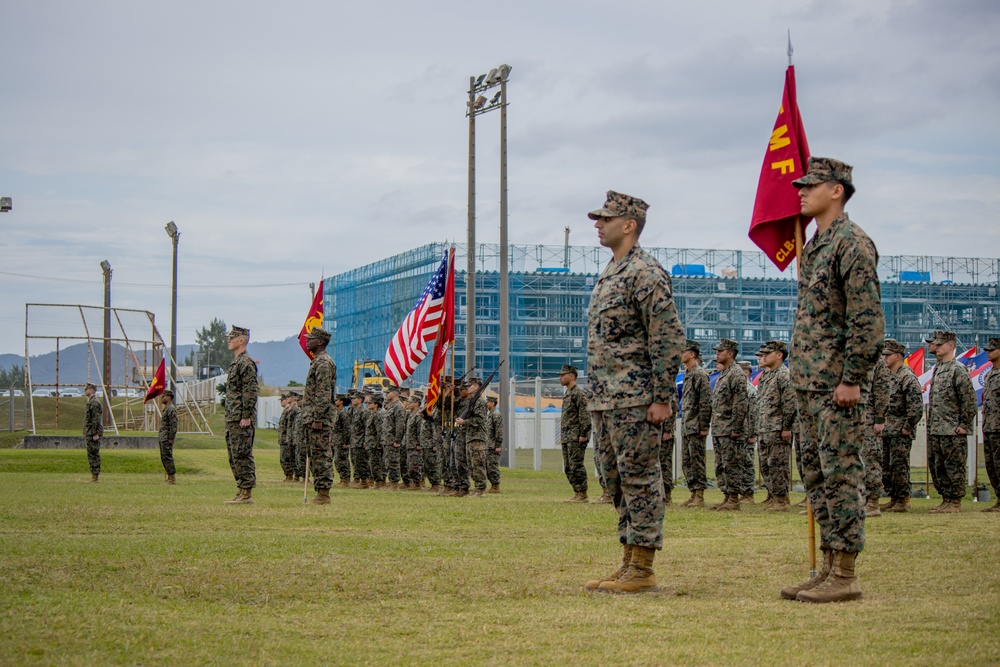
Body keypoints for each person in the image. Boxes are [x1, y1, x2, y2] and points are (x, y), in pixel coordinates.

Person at [780, 157, 884, 603]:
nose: (801, 192)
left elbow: (867, 320)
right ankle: (827, 567)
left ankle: (846, 572)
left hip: (834, 386)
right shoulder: (817, 243)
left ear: (837, 190)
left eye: (812, 185)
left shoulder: (852, 243)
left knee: (841, 475)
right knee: (818, 477)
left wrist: (852, 377)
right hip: (809, 383)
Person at [583, 190, 684, 594]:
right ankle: (628, 559)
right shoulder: (612, 271)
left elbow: (667, 338)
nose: (598, 224)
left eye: (606, 218)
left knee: (640, 478)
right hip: (607, 397)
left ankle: (643, 567)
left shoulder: (646, 272)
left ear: (629, 225)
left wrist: (662, 396)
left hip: (637, 397)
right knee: (615, 478)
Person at [926, 331, 977, 514]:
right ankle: (946, 499)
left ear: (950, 346)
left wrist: (964, 425)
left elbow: (969, 401)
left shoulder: (957, 369)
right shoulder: (939, 368)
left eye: (940, 344)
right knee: (939, 467)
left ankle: (955, 501)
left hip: (952, 430)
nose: (936, 347)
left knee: (954, 466)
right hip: (938, 428)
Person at [879, 339, 923, 513]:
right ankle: (893, 498)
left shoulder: (907, 377)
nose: (884, 358)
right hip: (887, 430)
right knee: (886, 467)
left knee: (899, 466)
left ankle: (903, 499)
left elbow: (916, 406)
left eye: (887, 355)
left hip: (900, 431)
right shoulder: (887, 376)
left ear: (898, 356)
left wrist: (908, 426)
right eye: (883, 355)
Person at [754, 341, 796, 511]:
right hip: (765, 427)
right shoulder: (765, 376)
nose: (762, 357)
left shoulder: (783, 375)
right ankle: (772, 495)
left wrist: (786, 427)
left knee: (778, 464)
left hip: (777, 428)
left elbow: (790, 403)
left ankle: (781, 499)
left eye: (766, 354)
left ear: (779, 355)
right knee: (766, 464)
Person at [710, 339, 748, 512]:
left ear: (730, 354)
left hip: (730, 428)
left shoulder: (736, 374)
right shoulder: (724, 373)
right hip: (720, 428)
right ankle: (726, 497)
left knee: (732, 463)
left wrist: (736, 428)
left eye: (721, 351)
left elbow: (740, 403)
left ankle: (734, 499)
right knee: (722, 464)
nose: (717, 353)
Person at [224, 326, 258, 505]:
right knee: (234, 455)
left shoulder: (246, 363)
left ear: (241, 340)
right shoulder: (237, 362)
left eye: (232, 338)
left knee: (242, 453)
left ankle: (246, 492)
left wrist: (246, 415)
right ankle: (240, 489)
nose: (229, 341)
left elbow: (250, 391)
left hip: (240, 418)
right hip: (233, 417)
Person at [303, 327, 336, 504]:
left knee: (321, 454)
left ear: (320, 342)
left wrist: (318, 418)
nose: (307, 341)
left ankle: (324, 494)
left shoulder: (323, 363)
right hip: (313, 417)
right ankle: (320, 492)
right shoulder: (317, 362)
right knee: (314, 454)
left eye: (311, 339)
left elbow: (323, 393)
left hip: (319, 419)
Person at [861, 348, 890, 517]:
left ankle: (873, 502)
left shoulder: (876, 361)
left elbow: (882, 391)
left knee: (871, 460)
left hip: (869, 419)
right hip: (850, 420)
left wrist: (880, 418)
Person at [559, 364, 592, 503]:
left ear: (571, 376)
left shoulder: (579, 393)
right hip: (567, 436)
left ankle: (583, 494)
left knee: (576, 465)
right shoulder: (568, 393)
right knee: (568, 467)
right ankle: (577, 492)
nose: (560, 378)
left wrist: (583, 434)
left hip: (576, 436)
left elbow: (585, 415)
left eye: (563, 375)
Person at [456, 377, 489, 498]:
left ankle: (480, 490)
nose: (467, 388)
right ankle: (476, 488)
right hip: (470, 437)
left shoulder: (480, 402)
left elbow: (480, 420)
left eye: (470, 386)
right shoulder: (473, 401)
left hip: (477, 438)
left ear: (476, 387)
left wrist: (464, 422)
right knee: (471, 465)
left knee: (478, 464)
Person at [981, 337, 1000, 512]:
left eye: (992, 350)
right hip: (990, 427)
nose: (988, 352)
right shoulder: (989, 375)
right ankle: (999, 500)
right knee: (992, 466)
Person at [738, 360, 758, 503]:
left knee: (747, 462)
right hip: (739, 431)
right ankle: (742, 491)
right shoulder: (739, 389)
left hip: (747, 432)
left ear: (745, 372)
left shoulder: (750, 390)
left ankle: (748, 493)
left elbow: (753, 413)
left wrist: (752, 433)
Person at [382, 386, 407, 490]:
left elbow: (400, 425)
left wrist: (397, 440)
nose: (386, 394)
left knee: (393, 462)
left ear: (395, 394)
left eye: (388, 392)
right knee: (388, 461)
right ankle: (392, 481)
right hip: (387, 439)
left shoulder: (399, 407)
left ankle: (394, 484)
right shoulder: (392, 406)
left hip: (393, 440)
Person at [349, 391, 372, 489]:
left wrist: (365, 441)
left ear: (360, 400)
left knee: (361, 462)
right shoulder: (354, 410)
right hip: (354, 440)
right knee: (355, 461)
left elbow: (367, 427)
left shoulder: (364, 411)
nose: (352, 400)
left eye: (354, 399)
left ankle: (364, 482)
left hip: (361, 441)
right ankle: (357, 479)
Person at [82, 382, 103, 482]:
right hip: (89, 431)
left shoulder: (94, 403)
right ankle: (94, 475)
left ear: (91, 390)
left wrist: (95, 433)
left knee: (93, 453)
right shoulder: (91, 402)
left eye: (86, 389)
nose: (85, 390)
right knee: (91, 453)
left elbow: (96, 419)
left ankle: (95, 476)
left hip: (92, 432)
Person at [158, 390, 179, 484]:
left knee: (167, 457)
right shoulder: (166, 408)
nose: (162, 398)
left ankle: (172, 479)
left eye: (164, 396)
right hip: (163, 437)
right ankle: (169, 477)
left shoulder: (171, 409)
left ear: (169, 397)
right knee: (164, 457)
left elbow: (173, 424)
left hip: (167, 437)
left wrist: (171, 438)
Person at [367, 393, 387, 489]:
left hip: (375, 443)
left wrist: (378, 444)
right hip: (372, 442)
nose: (368, 404)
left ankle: (379, 482)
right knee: (377, 462)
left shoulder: (379, 414)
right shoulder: (374, 413)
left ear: (376, 404)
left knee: (376, 463)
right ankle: (380, 481)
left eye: (370, 403)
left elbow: (379, 431)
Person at [333, 394, 352, 486]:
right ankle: (342, 478)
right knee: (337, 460)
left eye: (336, 400)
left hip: (341, 440)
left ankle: (346, 479)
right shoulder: (337, 412)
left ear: (341, 401)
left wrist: (346, 441)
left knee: (342, 460)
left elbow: (346, 428)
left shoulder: (343, 413)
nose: (335, 401)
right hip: (336, 440)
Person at [485, 395, 503, 493]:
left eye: (488, 402)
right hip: (489, 445)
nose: (487, 404)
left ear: (492, 403)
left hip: (493, 445)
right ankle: (493, 485)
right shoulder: (490, 414)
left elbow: (499, 431)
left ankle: (496, 486)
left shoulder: (496, 415)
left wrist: (498, 445)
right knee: (488, 465)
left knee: (493, 466)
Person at [277, 393, 296, 483]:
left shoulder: (291, 410)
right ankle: (288, 475)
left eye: (282, 400)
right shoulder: (286, 411)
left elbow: (290, 426)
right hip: (283, 438)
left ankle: (290, 475)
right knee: (283, 458)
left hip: (287, 438)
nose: (281, 402)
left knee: (287, 458)